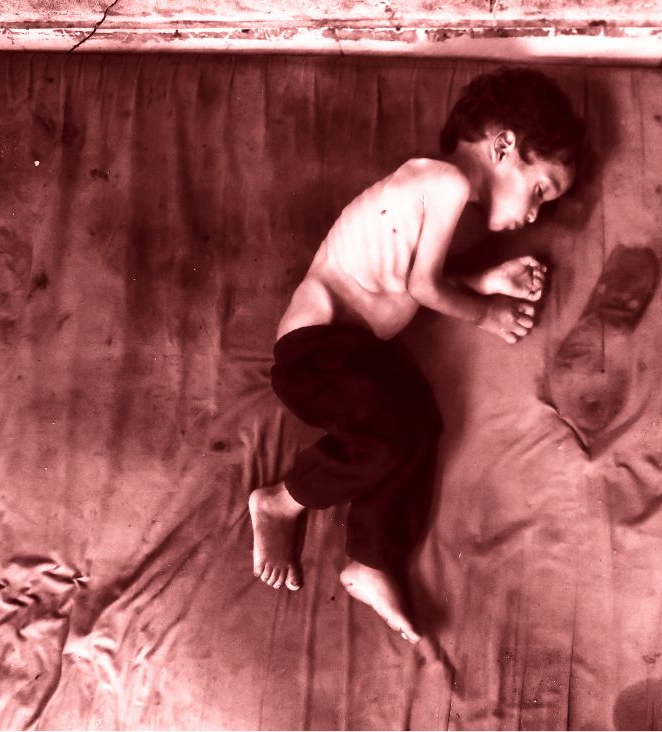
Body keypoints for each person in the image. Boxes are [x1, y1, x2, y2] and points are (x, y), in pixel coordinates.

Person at [249, 67, 585, 644]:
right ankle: (281, 501)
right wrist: (487, 313)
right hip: (315, 348)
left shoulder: (445, 202)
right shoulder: (444, 184)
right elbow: (426, 289)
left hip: (360, 351)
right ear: (502, 145)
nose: (534, 217)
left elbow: (411, 276)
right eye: (540, 191)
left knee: (418, 427)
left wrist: (485, 279)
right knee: (384, 434)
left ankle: (371, 558)